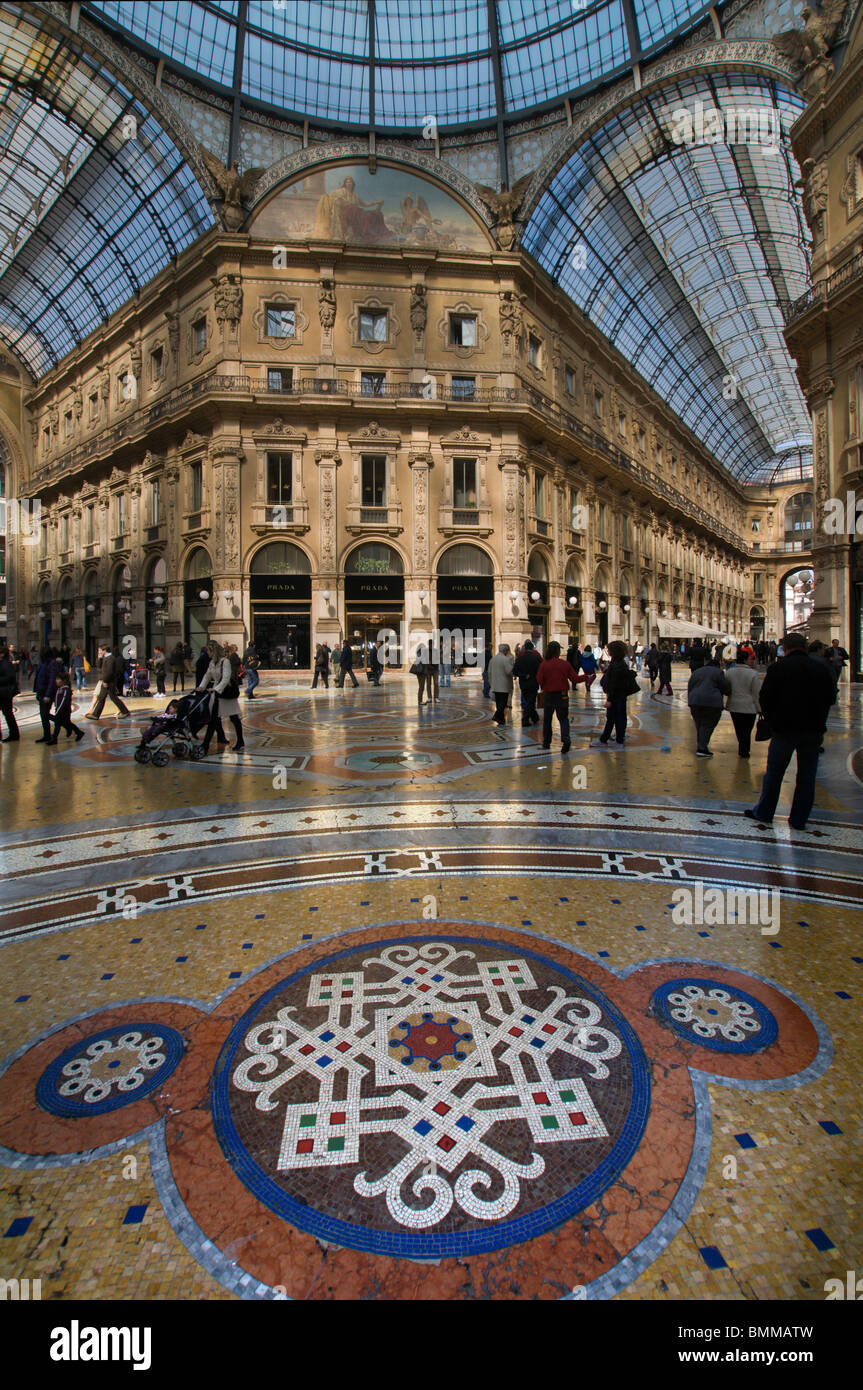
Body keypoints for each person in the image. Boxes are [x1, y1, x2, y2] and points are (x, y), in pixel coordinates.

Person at [745, 632, 837, 830]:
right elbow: (831, 698)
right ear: (804, 647)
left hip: (784, 730)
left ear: (785, 648)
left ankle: (765, 812)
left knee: (775, 773)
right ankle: (798, 819)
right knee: (807, 776)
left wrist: (774, 719)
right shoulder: (820, 668)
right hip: (813, 730)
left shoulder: (779, 668)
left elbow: (765, 698)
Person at [198, 640, 244, 753]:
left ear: (213, 651)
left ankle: (240, 741)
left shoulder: (225, 662)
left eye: (209, 651)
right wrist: (201, 687)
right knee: (214, 719)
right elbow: (207, 675)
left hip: (226, 693)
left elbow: (226, 678)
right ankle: (206, 744)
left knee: (234, 718)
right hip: (217, 694)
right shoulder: (212, 663)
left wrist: (216, 689)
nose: (207, 653)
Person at [537, 641, 584, 752]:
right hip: (562, 696)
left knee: (547, 720)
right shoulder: (564, 664)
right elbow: (575, 679)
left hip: (548, 695)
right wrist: (586, 677)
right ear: (558, 651)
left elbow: (539, 679)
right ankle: (566, 740)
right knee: (563, 719)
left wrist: (545, 685)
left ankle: (546, 742)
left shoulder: (544, 664)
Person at [594, 639, 639, 747]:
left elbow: (614, 683)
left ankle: (613, 740)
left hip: (616, 696)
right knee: (616, 718)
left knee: (615, 718)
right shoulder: (618, 662)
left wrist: (609, 699)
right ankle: (615, 739)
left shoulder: (617, 665)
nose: (608, 651)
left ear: (614, 651)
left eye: (609, 649)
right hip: (618, 696)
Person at [687, 658, 731, 757]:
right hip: (711, 703)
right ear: (717, 666)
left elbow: (690, 686)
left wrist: (690, 700)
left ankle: (701, 745)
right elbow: (725, 688)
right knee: (708, 725)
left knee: (699, 724)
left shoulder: (696, 672)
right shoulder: (718, 672)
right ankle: (702, 748)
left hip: (695, 701)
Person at [724, 648, 762, 757]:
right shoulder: (753, 674)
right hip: (749, 706)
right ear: (745, 660)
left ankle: (743, 748)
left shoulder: (729, 672)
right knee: (747, 730)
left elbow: (726, 688)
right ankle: (744, 750)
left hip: (734, 705)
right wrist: (760, 708)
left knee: (739, 728)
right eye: (750, 659)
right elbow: (756, 693)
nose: (752, 661)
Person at [85, 647, 131, 720]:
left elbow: (109, 671)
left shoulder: (110, 658)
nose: (99, 652)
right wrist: (99, 658)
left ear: (104, 650)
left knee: (113, 698)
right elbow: (99, 666)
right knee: (101, 697)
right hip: (106, 681)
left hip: (109, 682)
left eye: (100, 651)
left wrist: (105, 681)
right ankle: (95, 715)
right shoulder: (105, 658)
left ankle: (125, 711)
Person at [46, 671, 85, 744]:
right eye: (56, 679)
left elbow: (64, 701)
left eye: (58, 679)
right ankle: (79, 732)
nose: (56, 681)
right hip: (59, 710)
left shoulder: (66, 690)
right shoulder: (59, 689)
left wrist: (58, 711)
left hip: (64, 711)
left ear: (64, 681)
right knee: (66, 723)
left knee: (58, 724)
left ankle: (54, 739)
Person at [512, 639, 542, 727]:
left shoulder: (520, 658)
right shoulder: (535, 657)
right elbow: (540, 670)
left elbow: (514, 671)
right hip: (533, 683)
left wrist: (523, 675)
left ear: (525, 648)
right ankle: (525, 720)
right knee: (530, 701)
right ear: (532, 648)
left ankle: (535, 717)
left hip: (523, 684)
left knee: (529, 701)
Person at [33, 647, 61, 741]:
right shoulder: (44, 663)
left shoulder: (52, 663)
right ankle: (46, 735)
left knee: (45, 714)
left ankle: (66, 724)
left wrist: (48, 695)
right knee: (43, 715)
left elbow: (52, 680)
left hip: (47, 692)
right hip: (41, 692)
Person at [487, 644, 514, 725]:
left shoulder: (493, 659)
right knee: (503, 703)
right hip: (504, 685)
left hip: (495, 685)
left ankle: (501, 720)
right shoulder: (505, 659)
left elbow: (489, 672)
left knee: (499, 703)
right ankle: (496, 715)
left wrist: (491, 683)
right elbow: (508, 671)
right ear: (505, 650)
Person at [0, 643, 20, 742]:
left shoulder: (5, 663)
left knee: (8, 713)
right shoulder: (3, 663)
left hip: (5, 693)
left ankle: (14, 734)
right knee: (8, 713)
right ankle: (14, 734)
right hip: (3, 692)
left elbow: (10, 677)